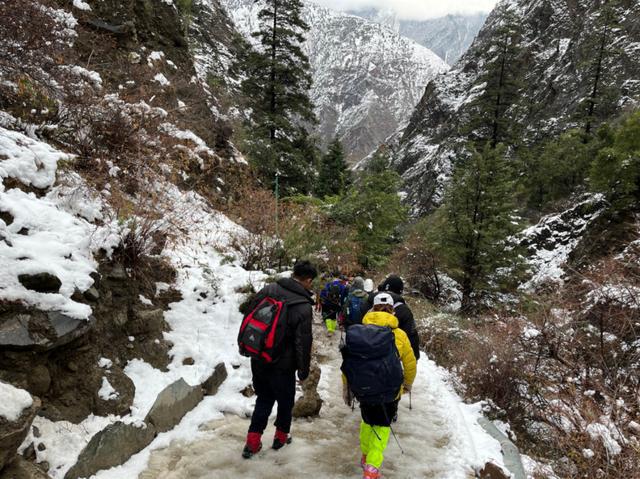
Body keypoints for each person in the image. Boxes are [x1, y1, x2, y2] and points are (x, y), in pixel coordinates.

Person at [241, 260, 318, 459]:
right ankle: (281, 438)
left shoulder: (269, 289)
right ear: (308, 280)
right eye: (311, 282)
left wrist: (246, 346)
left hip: (259, 358)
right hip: (283, 365)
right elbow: (303, 342)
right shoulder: (302, 305)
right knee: (285, 402)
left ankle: (252, 442)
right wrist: (303, 371)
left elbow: (248, 315)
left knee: (264, 399)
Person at [341, 293, 417, 479]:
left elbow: (348, 362)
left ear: (372, 308)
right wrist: (407, 384)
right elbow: (410, 363)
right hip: (390, 390)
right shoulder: (399, 334)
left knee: (367, 421)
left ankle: (365, 456)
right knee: (382, 425)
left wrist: (347, 388)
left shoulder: (359, 332)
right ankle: (372, 467)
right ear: (392, 310)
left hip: (364, 389)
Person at [375, 275, 421, 361]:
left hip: (366, 358)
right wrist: (415, 356)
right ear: (400, 291)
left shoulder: (371, 303)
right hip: (390, 360)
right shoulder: (404, 310)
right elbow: (411, 335)